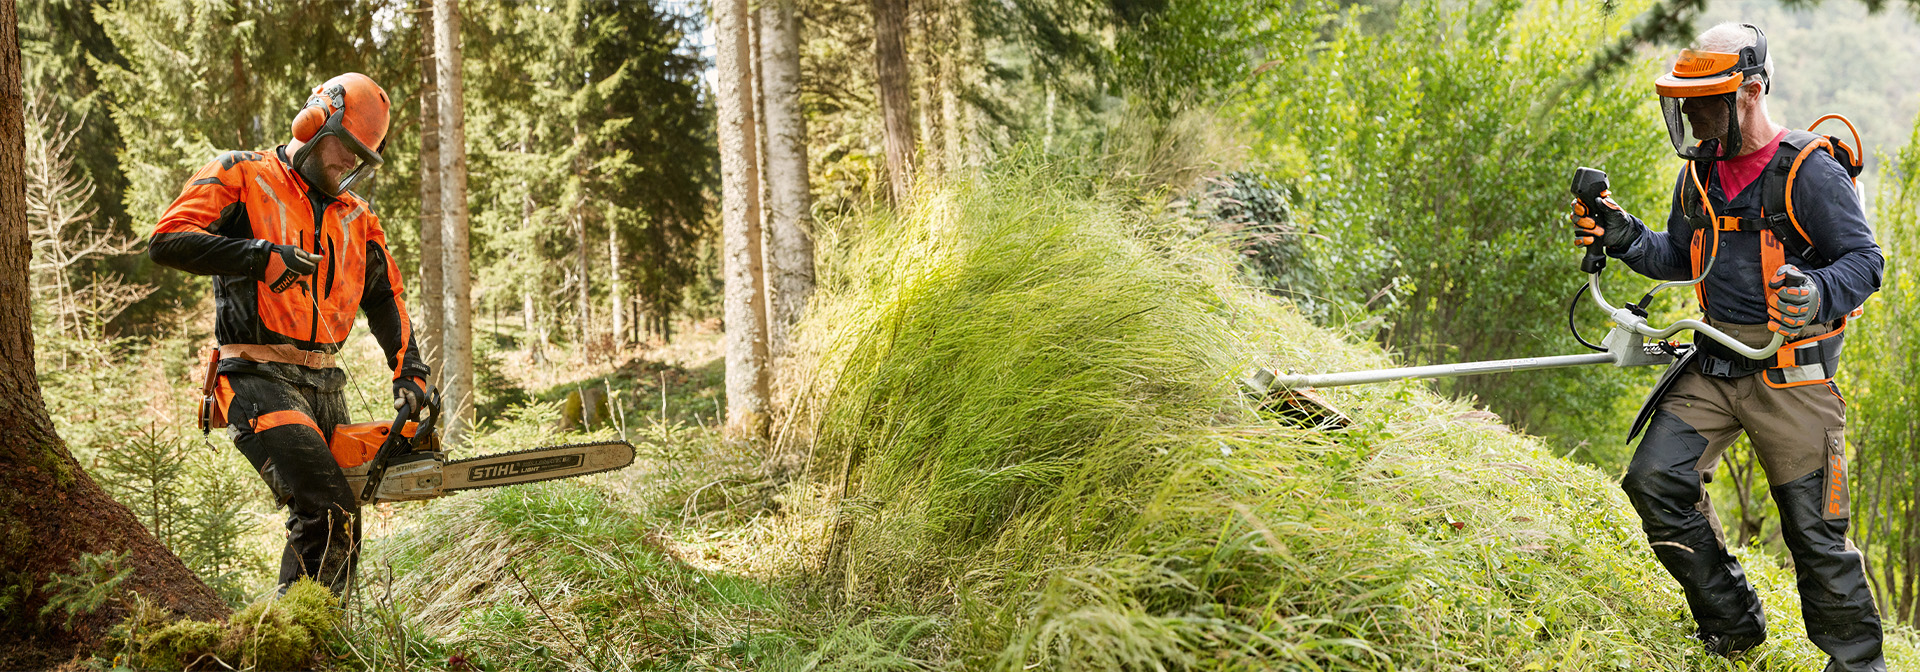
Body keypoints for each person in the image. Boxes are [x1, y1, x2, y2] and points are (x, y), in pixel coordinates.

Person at [1569, 23, 1884, 672]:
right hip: (1715, 362)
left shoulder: (1807, 172)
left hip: (1791, 374)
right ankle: (1733, 622)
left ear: (1752, 92)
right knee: (1655, 482)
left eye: (1706, 102)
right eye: (1686, 103)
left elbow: (1865, 262)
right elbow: (1682, 256)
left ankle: (1858, 665)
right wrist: (1624, 234)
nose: (1692, 116)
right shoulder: (1699, 177)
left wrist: (1819, 291)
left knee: (1816, 538)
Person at [148, 73, 431, 597]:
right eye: (347, 149)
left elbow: (386, 299)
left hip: (326, 386)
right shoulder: (241, 173)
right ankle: (298, 643)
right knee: (327, 508)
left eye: (362, 158)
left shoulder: (358, 218)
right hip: (253, 376)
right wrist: (256, 256)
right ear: (315, 123)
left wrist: (409, 367)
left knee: (340, 523)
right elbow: (168, 240)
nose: (350, 165)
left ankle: (308, 640)